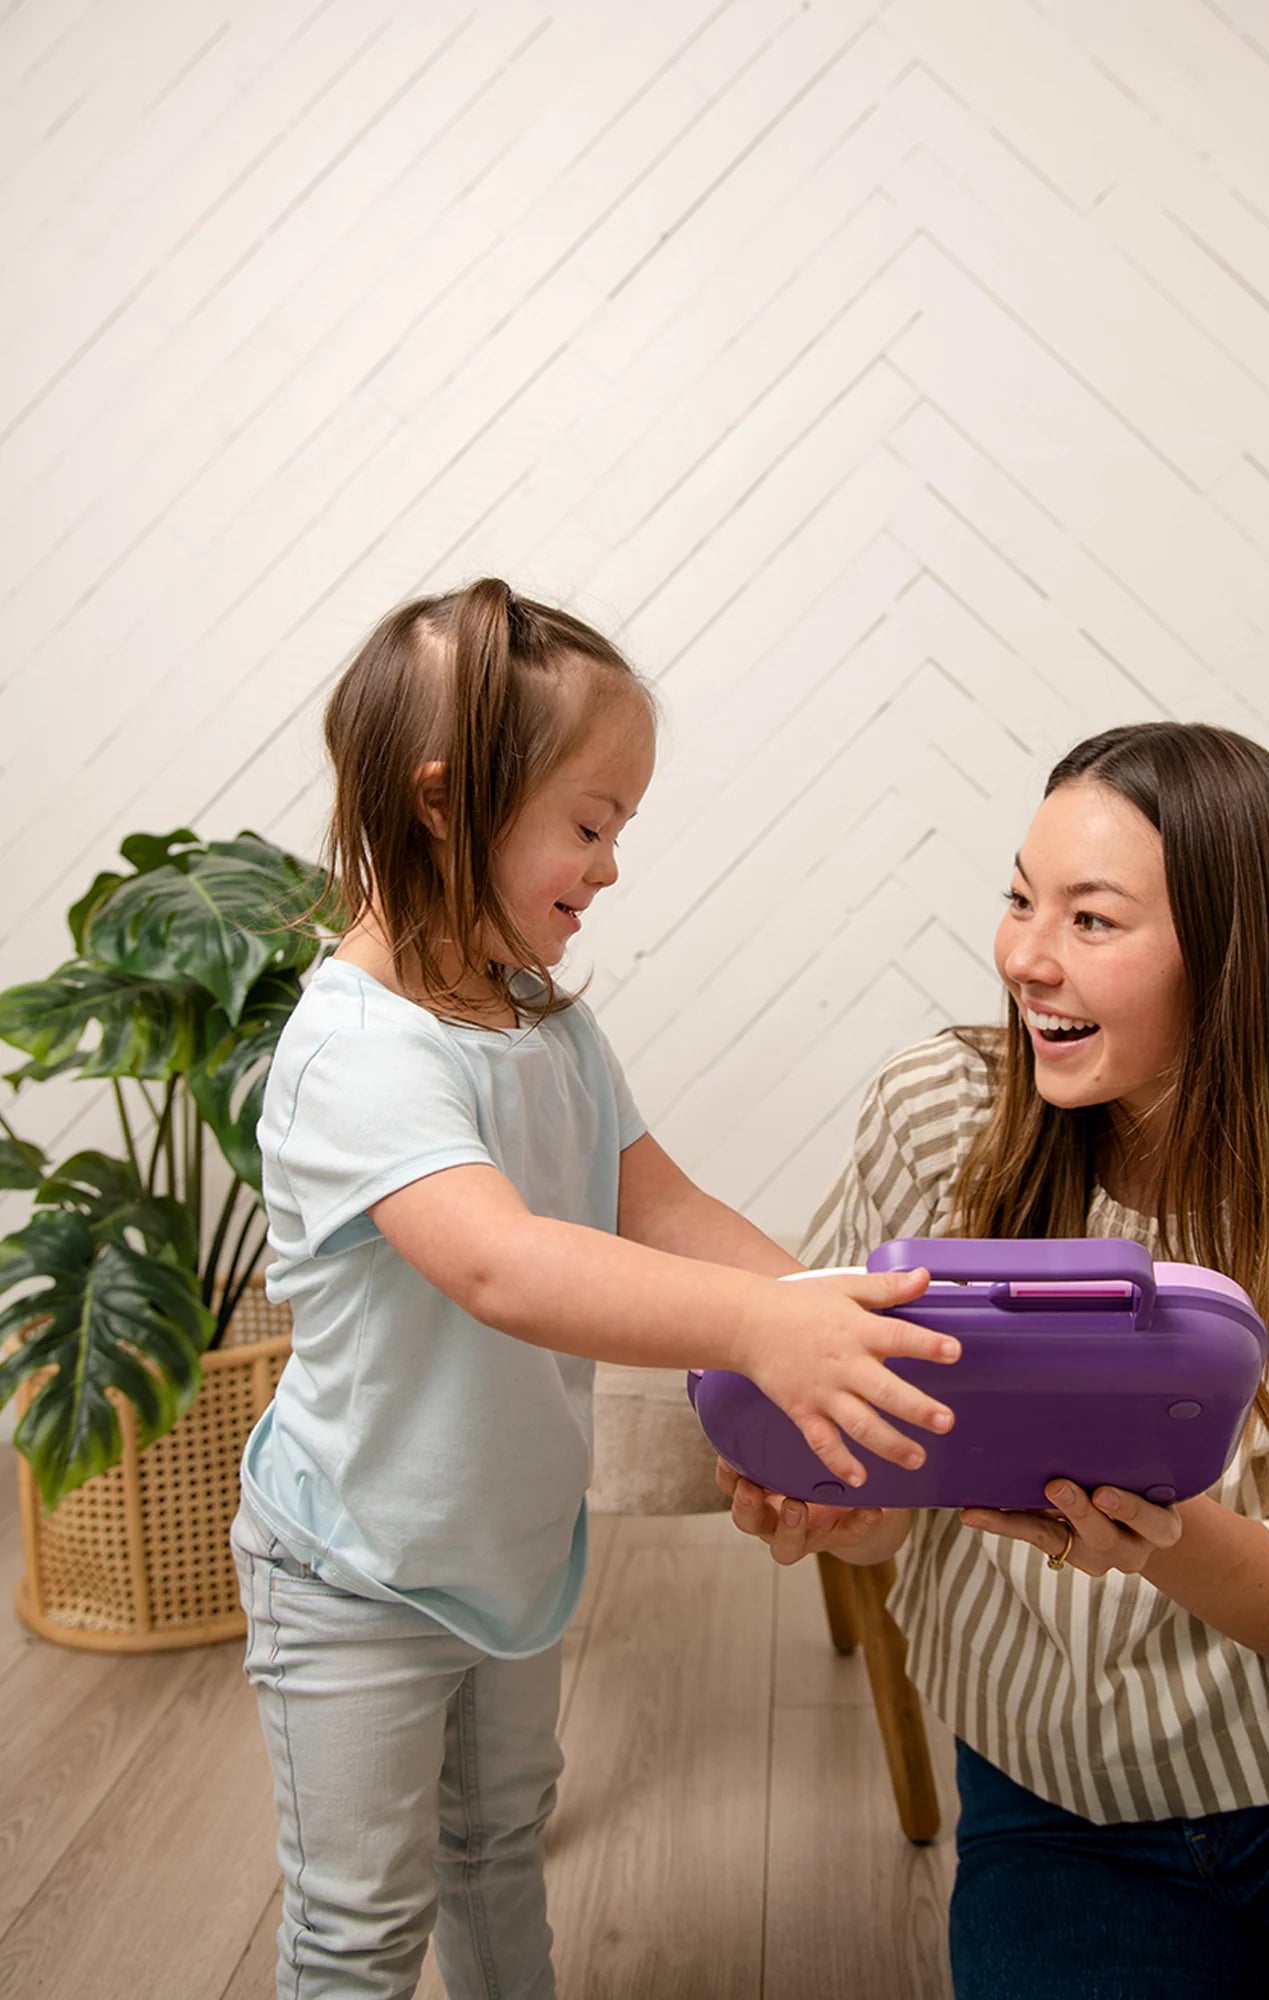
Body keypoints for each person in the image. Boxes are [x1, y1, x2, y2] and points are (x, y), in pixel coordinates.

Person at [230, 577, 962, 2000]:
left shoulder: (546, 1025)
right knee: (358, 1920)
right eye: (589, 822)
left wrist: (836, 1312)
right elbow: (505, 1263)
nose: (613, 863)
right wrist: (765, 1329)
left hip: (507, 1557)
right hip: (354, 1574)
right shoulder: (357, 1056)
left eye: (619, 826)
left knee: (501, 1849)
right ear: (446, 804)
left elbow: (664, 1206)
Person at [726, 722, 1269, 2000]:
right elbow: (876, 1499)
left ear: (1235, 955)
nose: (1026, 955)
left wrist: (1159, 1536)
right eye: (1022, 899)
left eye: (1092, 919)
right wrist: (837, 1510)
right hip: (1059, 1809)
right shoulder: (943, 1123)